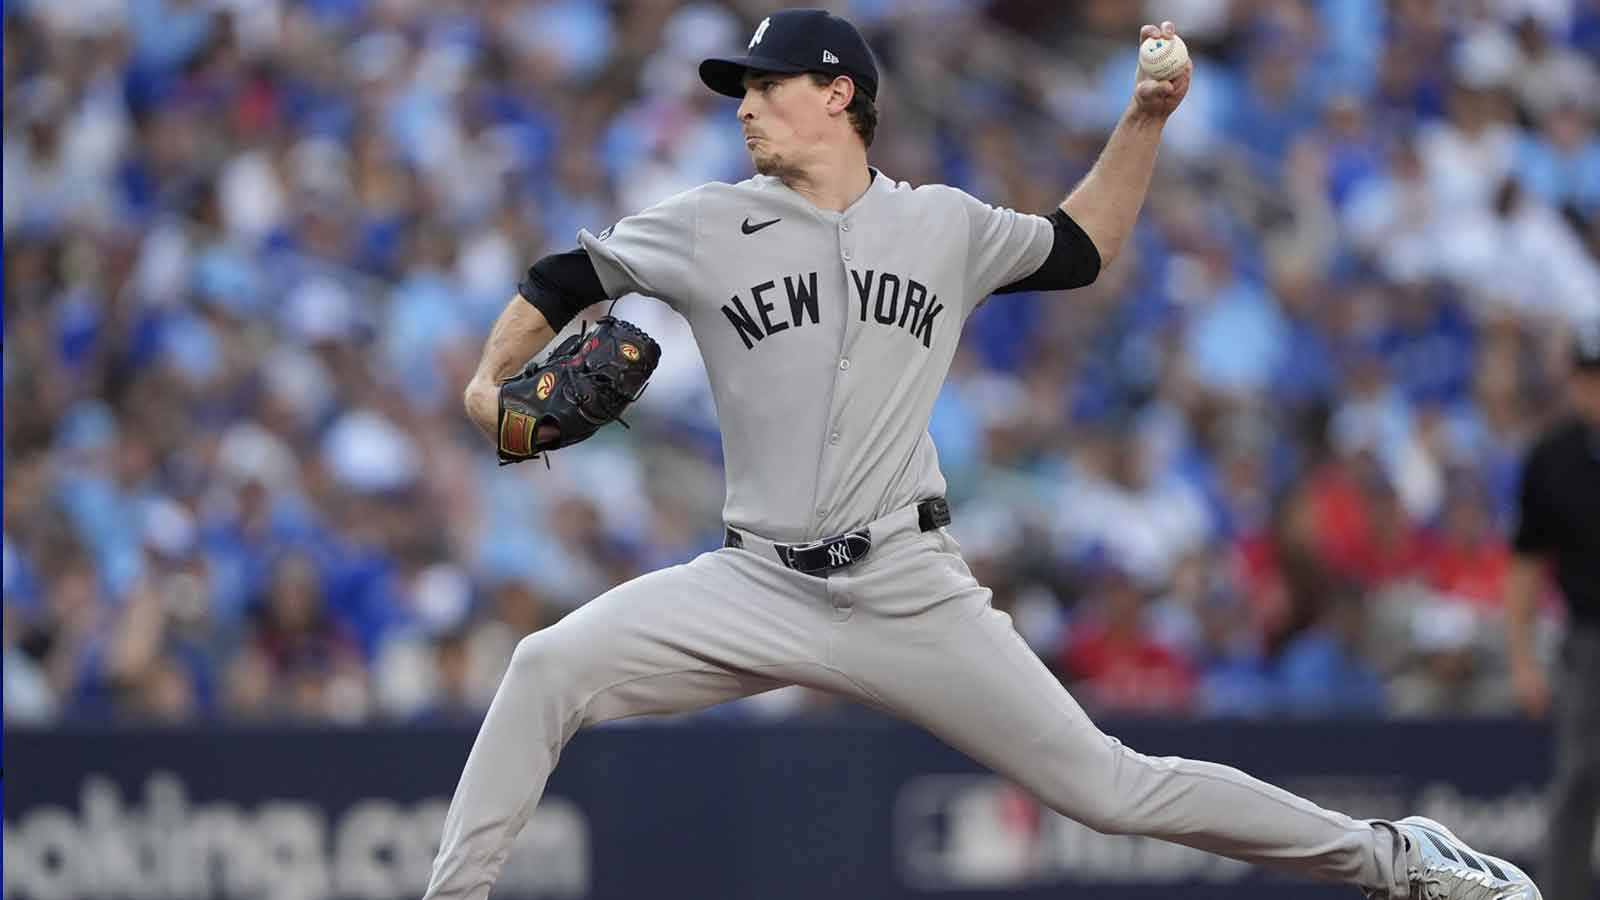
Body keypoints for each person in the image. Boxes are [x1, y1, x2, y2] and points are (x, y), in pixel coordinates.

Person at [432, 10, 1541, 900]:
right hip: (756, 578)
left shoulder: (943, 224)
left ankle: (1394, 860)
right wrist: (489, 390)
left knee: (1109, 788)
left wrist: (1145, 117)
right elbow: (557, 282)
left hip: (908, 586)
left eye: (766, 84)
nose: (746, 106)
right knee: (546, 668)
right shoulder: (706, 219)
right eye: (738, 90)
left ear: (838, 93)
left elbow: (1079, 247)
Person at [1507, 322, 1600, 900]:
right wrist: (1522, 659)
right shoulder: (1552, 457)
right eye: (1588, 378)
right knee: (1578, 781)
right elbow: (1523, 565)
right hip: (1587, 641)